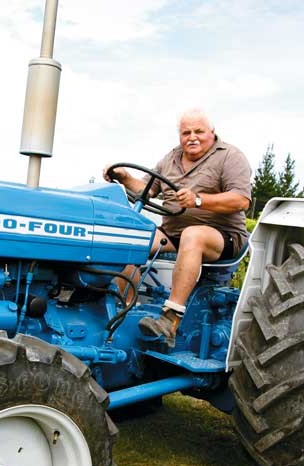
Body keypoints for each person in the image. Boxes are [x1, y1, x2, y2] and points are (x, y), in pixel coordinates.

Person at [103, 108, 252, 347]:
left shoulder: (230, 156)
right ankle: (128, 310)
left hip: (221, 236)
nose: (192, 137)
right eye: (185, 133)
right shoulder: (171, 158)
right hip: (172, 232)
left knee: (192, 236)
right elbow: (147, 190)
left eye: (198, 131)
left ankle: (170, 319)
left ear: (211, 132)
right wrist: (123, 177)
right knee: (132, 239)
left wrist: (199, 200)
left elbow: (241, 199)